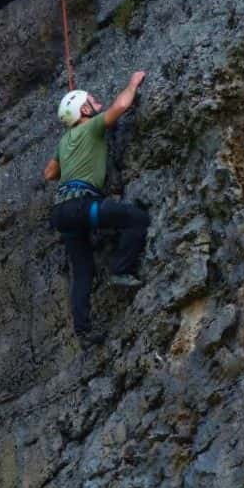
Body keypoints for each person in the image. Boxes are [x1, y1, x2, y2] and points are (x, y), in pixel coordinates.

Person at [43, 71, 149, 347]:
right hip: (82, 205)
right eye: (91, 100)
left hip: (62, 212)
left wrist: (73, 163)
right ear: (84, 110)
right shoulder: (90, 128)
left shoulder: (64, 141)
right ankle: (120, 269)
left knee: (83, 271)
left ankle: (84, 331)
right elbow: (121, 107)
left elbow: (50, 173)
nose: (96, 101)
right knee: (135, 219)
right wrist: (133, 83)